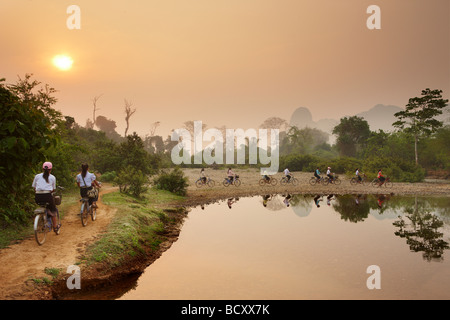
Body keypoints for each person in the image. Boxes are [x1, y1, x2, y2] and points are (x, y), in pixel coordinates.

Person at [32, 162, 60, 232]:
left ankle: (41, 220)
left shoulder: (37, 176)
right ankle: (55, 227)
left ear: (42, 168)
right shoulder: (53, 177)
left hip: (37, 197)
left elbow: (34, 187)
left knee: (43, 205)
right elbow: (53, 189)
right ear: (51, 169)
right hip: (47, 196)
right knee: (53, 211)